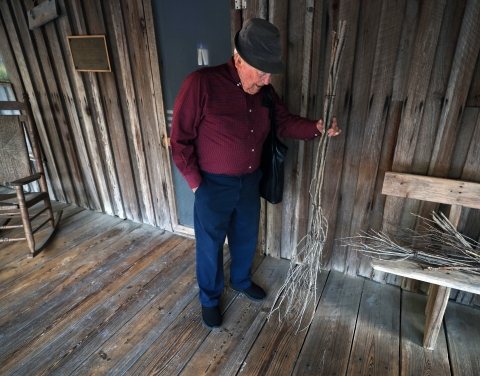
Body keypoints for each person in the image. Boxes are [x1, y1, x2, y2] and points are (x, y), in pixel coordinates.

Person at [170, 18, 341, 329]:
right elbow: (179, 141)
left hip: (250, 181)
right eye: (261, 72)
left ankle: (241, 280)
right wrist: (198, 186)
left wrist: (316, 128)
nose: (266, 80)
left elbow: (284, 123)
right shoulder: (201, 84)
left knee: (246, 236)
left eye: (269, 73)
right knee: (209, 245)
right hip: (212, 185)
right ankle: (209, 299)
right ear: (238, 59)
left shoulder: (265, 93)